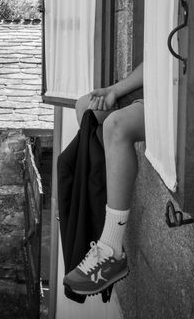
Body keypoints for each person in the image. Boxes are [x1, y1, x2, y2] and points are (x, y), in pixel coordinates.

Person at [63, 63, 145, 295]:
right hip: (155, 86)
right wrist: (114, 90)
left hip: (178, 91)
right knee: (85, 106)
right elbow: (157, 58)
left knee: (115, 126)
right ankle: (101, 228)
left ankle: (111, 249)